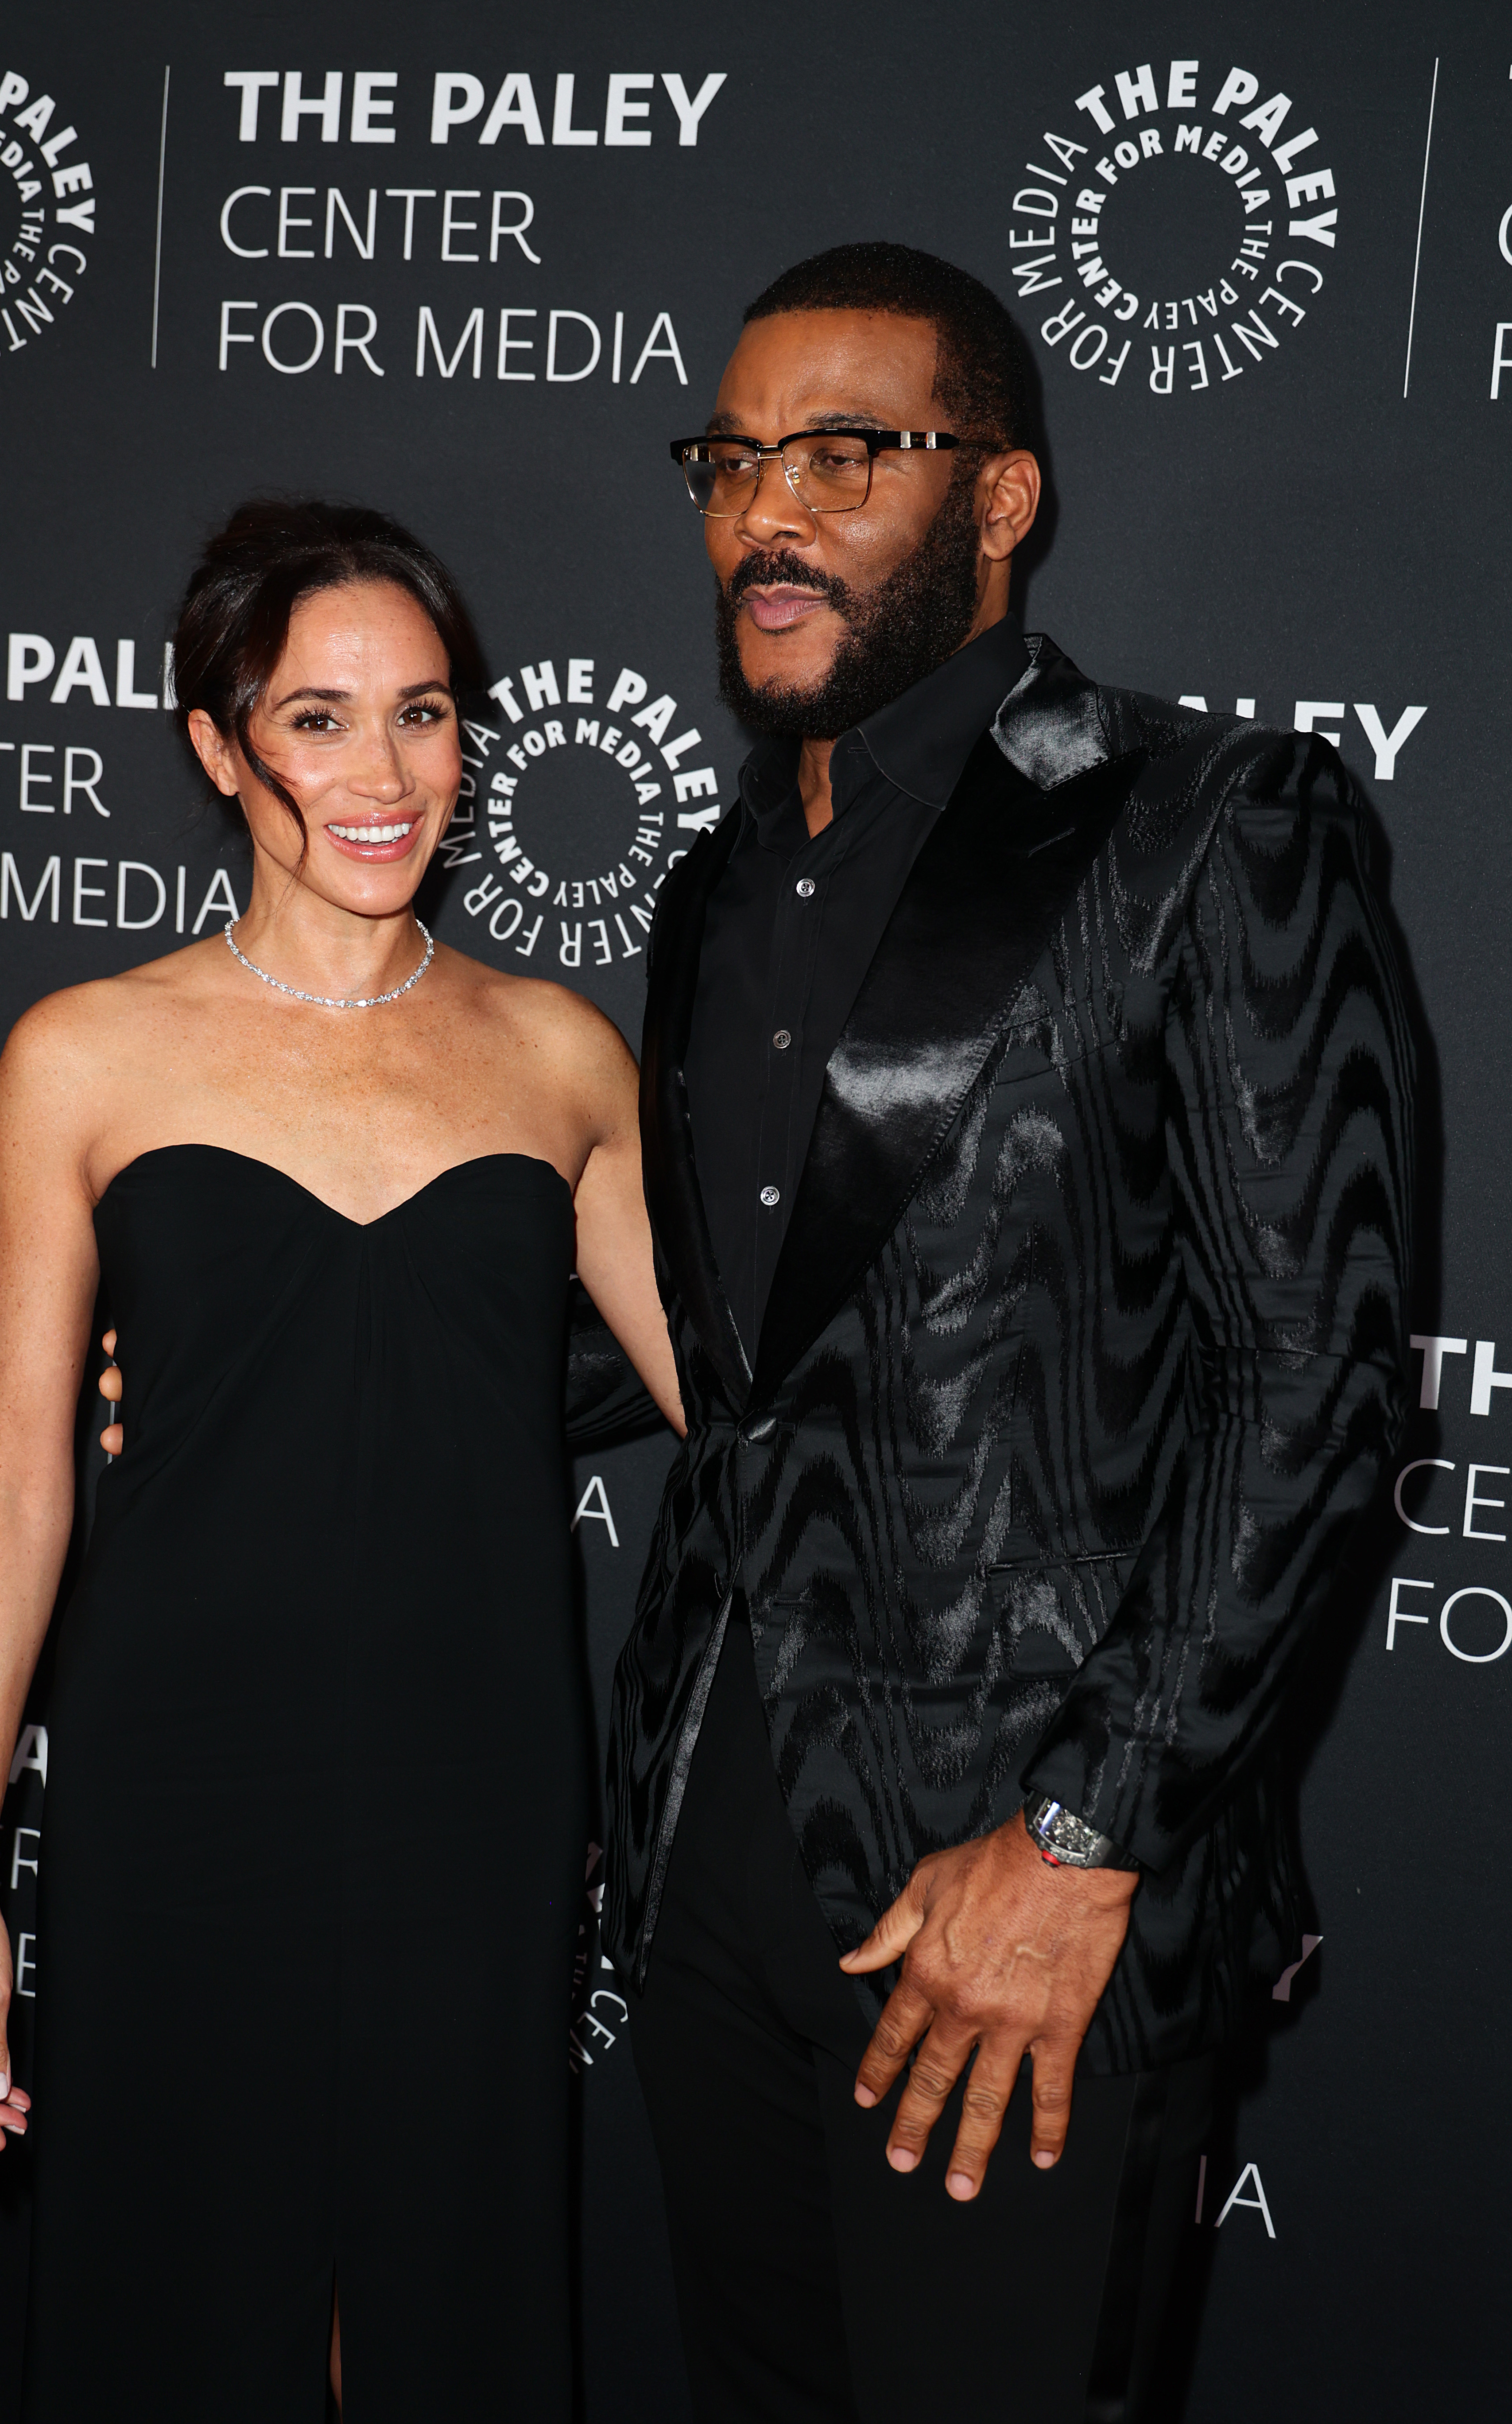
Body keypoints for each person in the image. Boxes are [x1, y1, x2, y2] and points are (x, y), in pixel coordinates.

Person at [606, 244, 1415, 2421]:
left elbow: (1318, 1374)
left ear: (1001, 500)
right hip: (711, 1844)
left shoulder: (1209, 825)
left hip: (1017, 1886)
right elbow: (734, 1324)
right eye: (734, 456)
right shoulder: (712, 885)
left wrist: (1090, 1836)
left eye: (846, 451)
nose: (766, 510)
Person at [0, 499, 682, 2421]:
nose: (384, 770)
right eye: (319, 718)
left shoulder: (562, 1055)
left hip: (477, 1794)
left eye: (423, 713)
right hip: (183, 1787)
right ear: (217, 742)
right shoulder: (86, 1053)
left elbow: (722, 1400)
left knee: (453, 2305)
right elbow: (20, 1467)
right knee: (177, 2311)